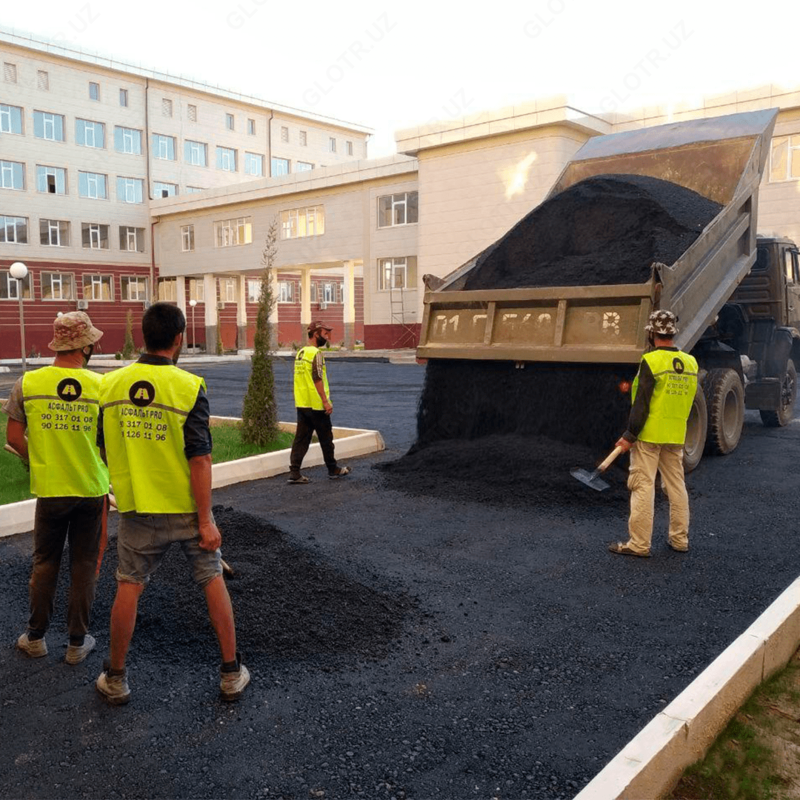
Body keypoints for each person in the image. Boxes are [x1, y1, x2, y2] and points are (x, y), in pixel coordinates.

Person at [94, 302, 248, 705]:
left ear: (145, 335)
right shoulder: (188, 387)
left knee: (129, 586)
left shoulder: (108, 385)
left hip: (136, 510)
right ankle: (231, 674)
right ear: (179, 338)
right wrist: (206, 521)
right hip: (186, 510)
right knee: (211, 580)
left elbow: (104, 446)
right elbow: (200, 457)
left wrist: (128, 479)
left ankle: (116, 678)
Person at [2, 311, 108, 664]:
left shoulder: (27, 384)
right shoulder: (101, 387)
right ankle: (77, 644)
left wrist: (41, 458)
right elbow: (109, 444)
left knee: (45, 563)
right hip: (91, 490)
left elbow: (14, 438)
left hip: (50, 491)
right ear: (86, 345)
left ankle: (35, 638)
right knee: (83, 564)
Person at [608, 310, 698, 558]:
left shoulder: (651, 361)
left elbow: (642, 404)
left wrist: (629, 435)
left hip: (648, 436)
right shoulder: (690, 362)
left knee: (643, 485)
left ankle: (639, 544)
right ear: (672, 333)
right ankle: (680, 540)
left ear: (651, 333)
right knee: (676, 486)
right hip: (676, 433)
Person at [287, 321, 351, 484]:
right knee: (326, 438)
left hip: (302, 403)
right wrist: (325, 401)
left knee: (301, 439)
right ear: (316, 334)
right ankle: (333, 469)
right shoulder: (315, 354)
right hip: (316, 405)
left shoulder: (301, 353)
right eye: (325, 333)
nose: (327, 336)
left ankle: (294, 472)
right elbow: (317, 378)